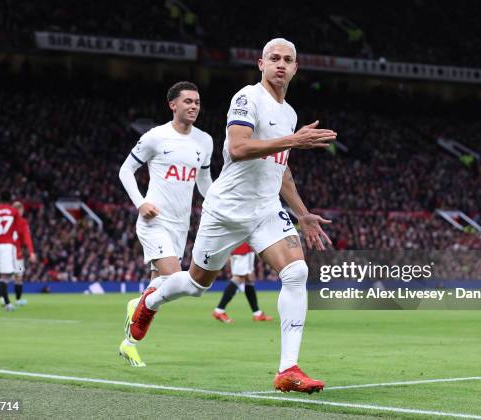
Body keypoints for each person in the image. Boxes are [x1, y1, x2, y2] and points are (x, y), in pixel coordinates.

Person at [129, 38, 337, 393]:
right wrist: (292, 141)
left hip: (266, 209)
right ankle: (150, 301)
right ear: (261, 64)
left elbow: (280, 170)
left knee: (297, 271)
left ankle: (287, 370)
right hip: (227, 210)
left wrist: (301, 214)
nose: (281, 65)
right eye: (274, 58)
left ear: (296, 68)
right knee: (195, 285)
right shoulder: (246, 98)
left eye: (288, 59)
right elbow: (239, 149)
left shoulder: (289, 114)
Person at [118, 81, 214, 367]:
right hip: (154, 221)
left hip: (181, 226)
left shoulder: (205, 141)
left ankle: (129, 343)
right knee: (174, 279)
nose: (194, 106)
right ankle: (139, 305)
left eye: (197, 102)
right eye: (188, 101)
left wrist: (219, 207)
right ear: (173, 104)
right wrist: (140, 203)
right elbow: (126, 170)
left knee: (160, 289)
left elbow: (204, 183)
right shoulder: (155, 137)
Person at [212, 242, 272, 323]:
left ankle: (257, 313)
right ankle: (219, 310)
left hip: (239, 247)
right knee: (239, 277)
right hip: (243, 249)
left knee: (248, 279)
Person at [11, 201, 37, 306]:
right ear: (20, 210)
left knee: (6, 276)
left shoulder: (7, 222)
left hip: (6, 255)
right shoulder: (23, 222)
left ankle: (3, 298)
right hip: (18, 256)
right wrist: (31, 252)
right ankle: (18, 299)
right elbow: (27, 238)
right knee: (19, 276)